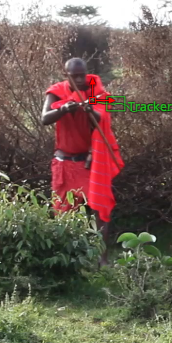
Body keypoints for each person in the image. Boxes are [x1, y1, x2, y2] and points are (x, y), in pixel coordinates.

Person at [41, 57, 124, 267]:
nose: (79, 79)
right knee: (63, 213)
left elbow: (102, 115)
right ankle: (65, 260)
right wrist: (64, 109)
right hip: (64, 163)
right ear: (66, 75)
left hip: (90, 162)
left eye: (82, 74)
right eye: (74, 75)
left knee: (101, 209)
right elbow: (44, 118)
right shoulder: (56, 91)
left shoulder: (95, 88)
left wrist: (88, 110)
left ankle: (101, 259)